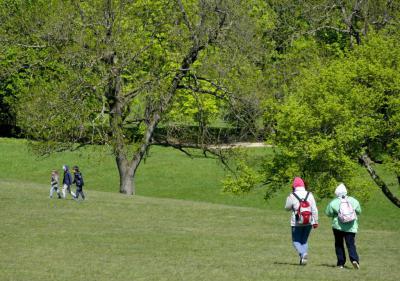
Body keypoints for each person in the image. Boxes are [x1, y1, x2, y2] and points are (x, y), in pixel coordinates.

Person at [325, 183, 361, 269]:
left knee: (339, 244)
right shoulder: (354, 201)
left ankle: (340, 263)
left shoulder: (334, 202)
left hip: (338, 227)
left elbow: (328, 213)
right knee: (351, 244)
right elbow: (359, 211)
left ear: (336, 193)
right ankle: (354, 260)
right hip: (351, 227)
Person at [285, 177, 319, 265]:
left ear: (294, 186)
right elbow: (314, 209)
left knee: (296, 241)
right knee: (304, 241)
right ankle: (303, 259)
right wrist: (315, 221)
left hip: (296, 222)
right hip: (309, 221)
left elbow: (287, 208)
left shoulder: (292, 195)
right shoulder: (309, 194)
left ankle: (303, 254)